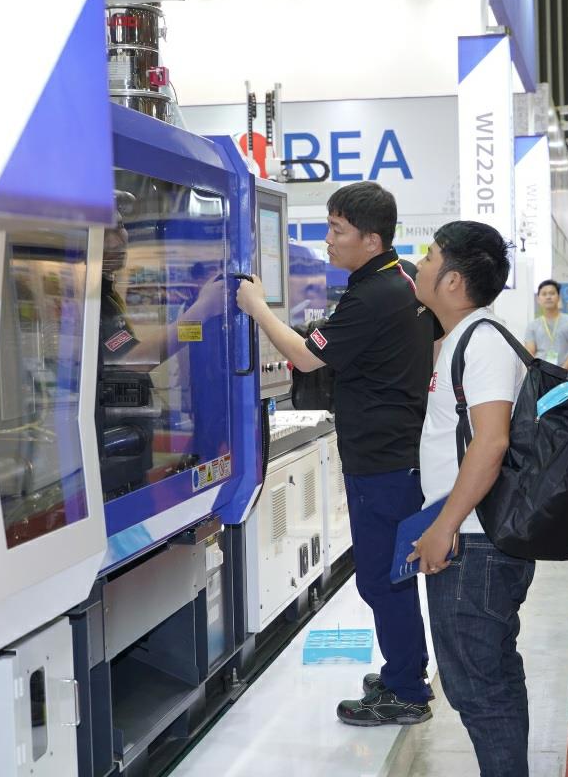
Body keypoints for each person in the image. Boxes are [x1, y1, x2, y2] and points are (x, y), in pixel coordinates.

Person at [237, 180, 437, 725]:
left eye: (336, 229)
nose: (327, 240)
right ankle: (404, 671)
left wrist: (257, 308)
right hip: (396, 451)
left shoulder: (372, 296)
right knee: (390, 573)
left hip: (382, 460)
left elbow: (306, 357)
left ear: (371, 240)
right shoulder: (402, 279)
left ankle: (406, 691)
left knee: (382, 577)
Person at [410, 220, 533, 776]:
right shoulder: (466, 338)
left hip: (474, 542)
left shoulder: (481, 342)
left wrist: (444, 527)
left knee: (478, 686)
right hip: (477, 537)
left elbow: (491, 442)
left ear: (454, 281)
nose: (420, 264)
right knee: (492, 677)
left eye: (429, 256)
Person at [524, 279, 568, 373]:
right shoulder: (532, 326)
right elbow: (530, 353)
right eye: (544, 294)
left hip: (566, 376)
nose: (548, 297)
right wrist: (540, 373)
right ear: (538, 299)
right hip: (541, 376)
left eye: (552, 293)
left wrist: (560, 373)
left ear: (559, 297)